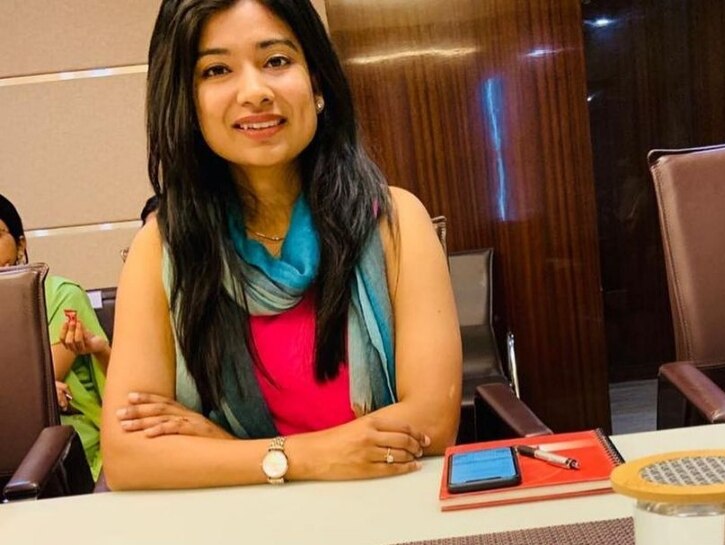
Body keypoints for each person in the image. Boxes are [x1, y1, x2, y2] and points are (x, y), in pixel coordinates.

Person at [103, 0, 461, 490]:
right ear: (187, 102)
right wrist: (306, 457)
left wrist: (223, 451)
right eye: (217, 70)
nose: (255, 92)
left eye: (276, 60)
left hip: (387, 507)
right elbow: (127, 458)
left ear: (317, 82)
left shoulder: (395, 222)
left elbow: (431, 422)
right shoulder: (163, 249)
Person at [0, 193, 110, 480]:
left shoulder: (61, 295)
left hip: (64, 439)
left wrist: (46, 386)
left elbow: (32, 388)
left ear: (21, 244)